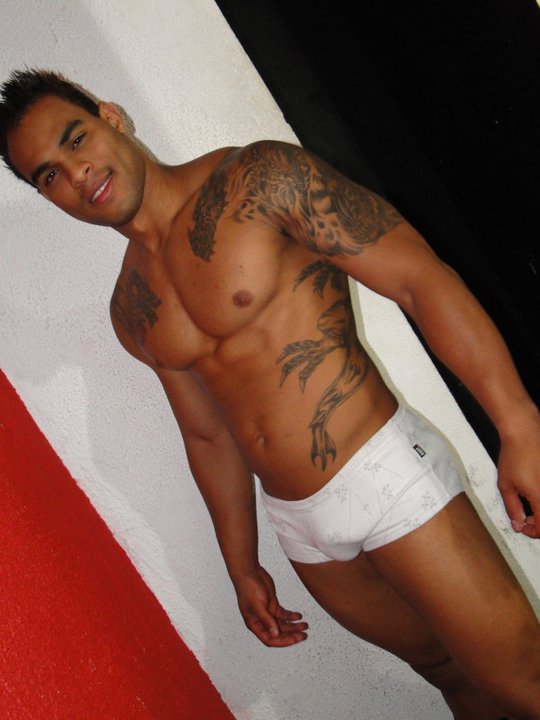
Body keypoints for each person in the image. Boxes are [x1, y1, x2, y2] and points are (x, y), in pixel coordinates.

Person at [1, 69, 539, 720]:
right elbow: (208, 434)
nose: (77, 172)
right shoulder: (131, 310)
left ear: (111, 117)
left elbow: (417, 279)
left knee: (522, 683)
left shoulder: (259, 178)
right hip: (303, 532)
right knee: (452, 680)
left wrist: (518, 423)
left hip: (384, 472)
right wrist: (242, 564)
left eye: (75, 138)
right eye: (49, 175)